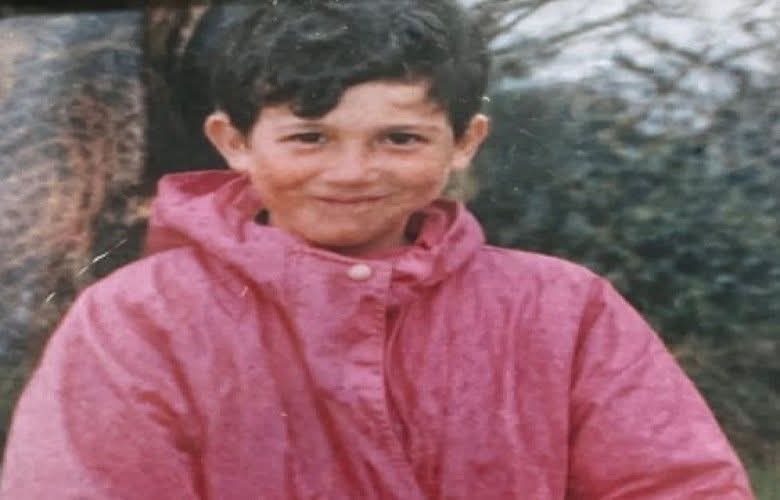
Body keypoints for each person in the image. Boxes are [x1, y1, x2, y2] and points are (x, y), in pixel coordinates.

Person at [0, 1, 755, 498]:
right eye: (309, 137)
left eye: (400, 138)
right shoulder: (138, 317)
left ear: (463, 142)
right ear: (234, 142)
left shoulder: (564, 308)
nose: (352, 172)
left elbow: (678, 485)